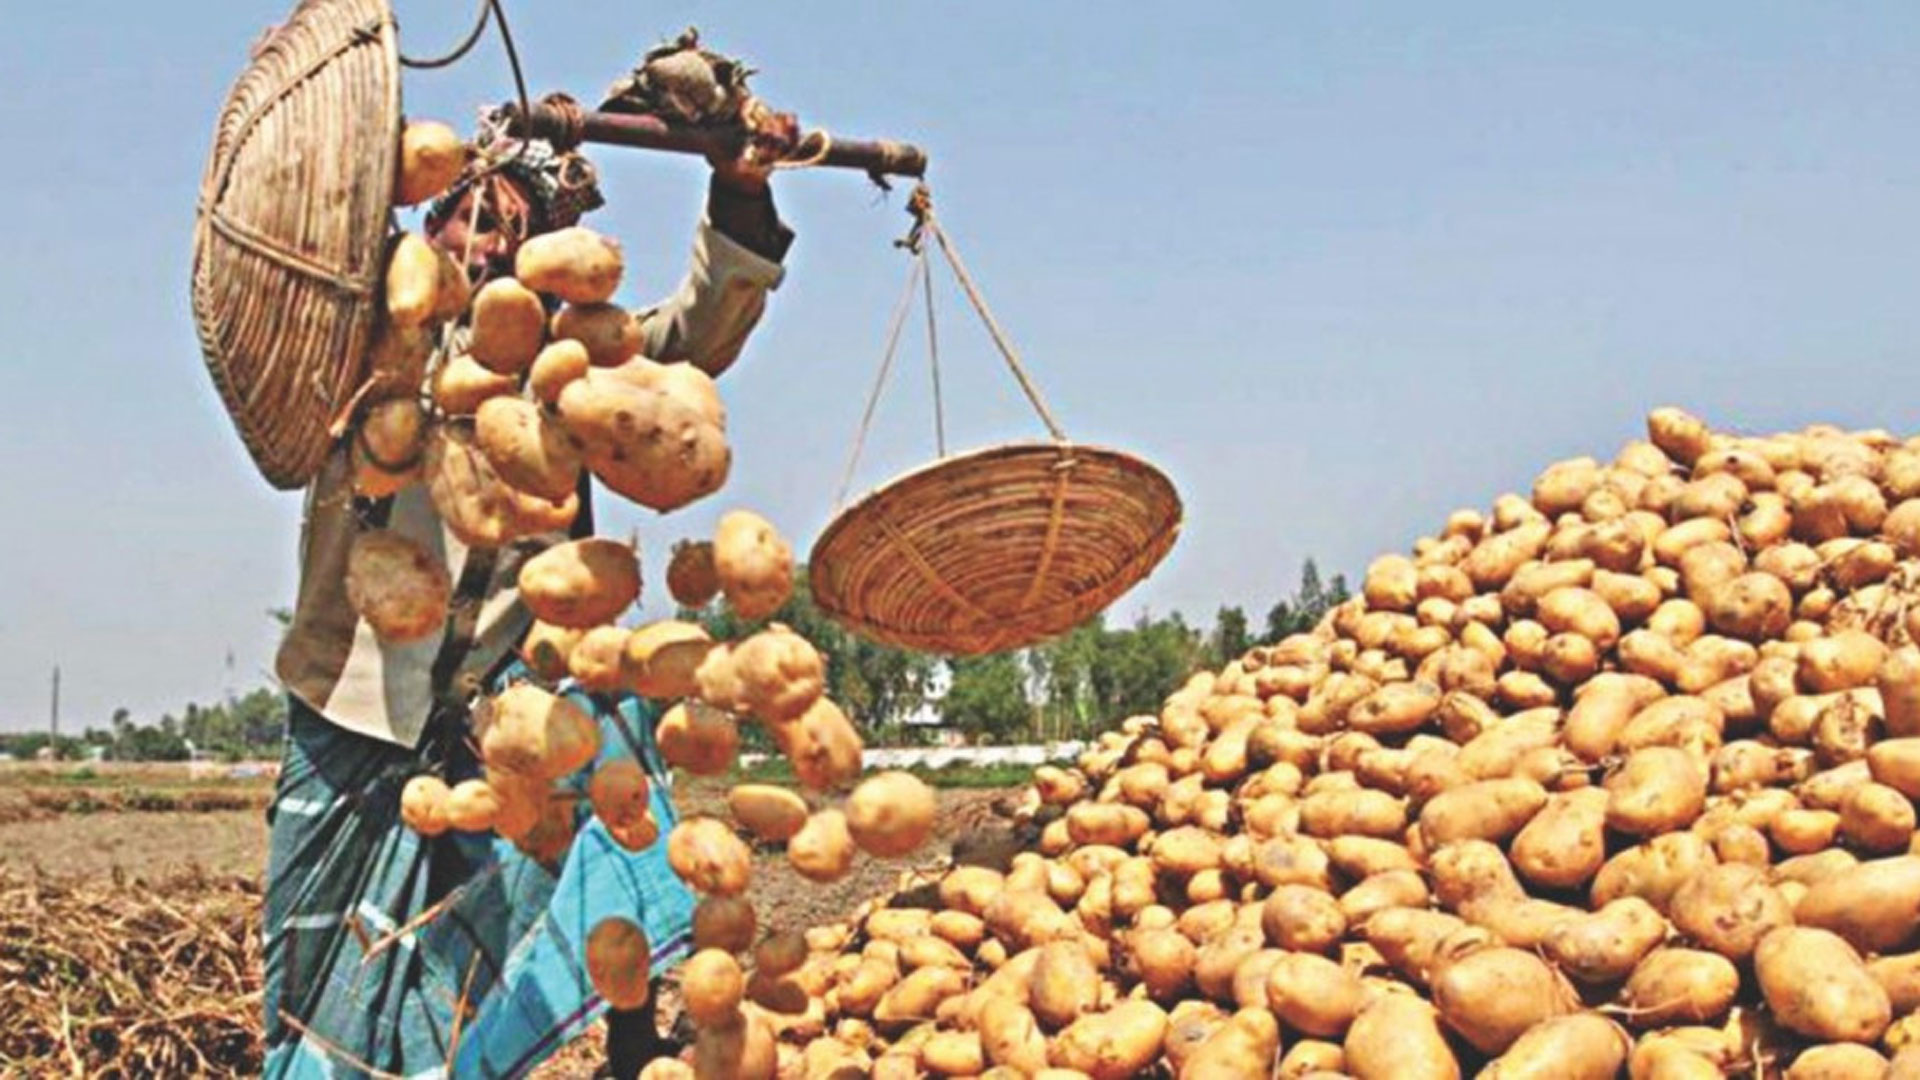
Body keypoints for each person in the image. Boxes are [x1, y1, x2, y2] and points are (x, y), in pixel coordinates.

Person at [262, 96, 794, 1079]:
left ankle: (624, 1044)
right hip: (353, 698)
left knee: (509, 922)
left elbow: (694, 336)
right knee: (308, 962)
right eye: (467, 218)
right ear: (428, 225)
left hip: (499, 713)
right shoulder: (370, 336)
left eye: (509, 228)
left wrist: (740, 189)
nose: (483, 242)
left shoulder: (575, 365)